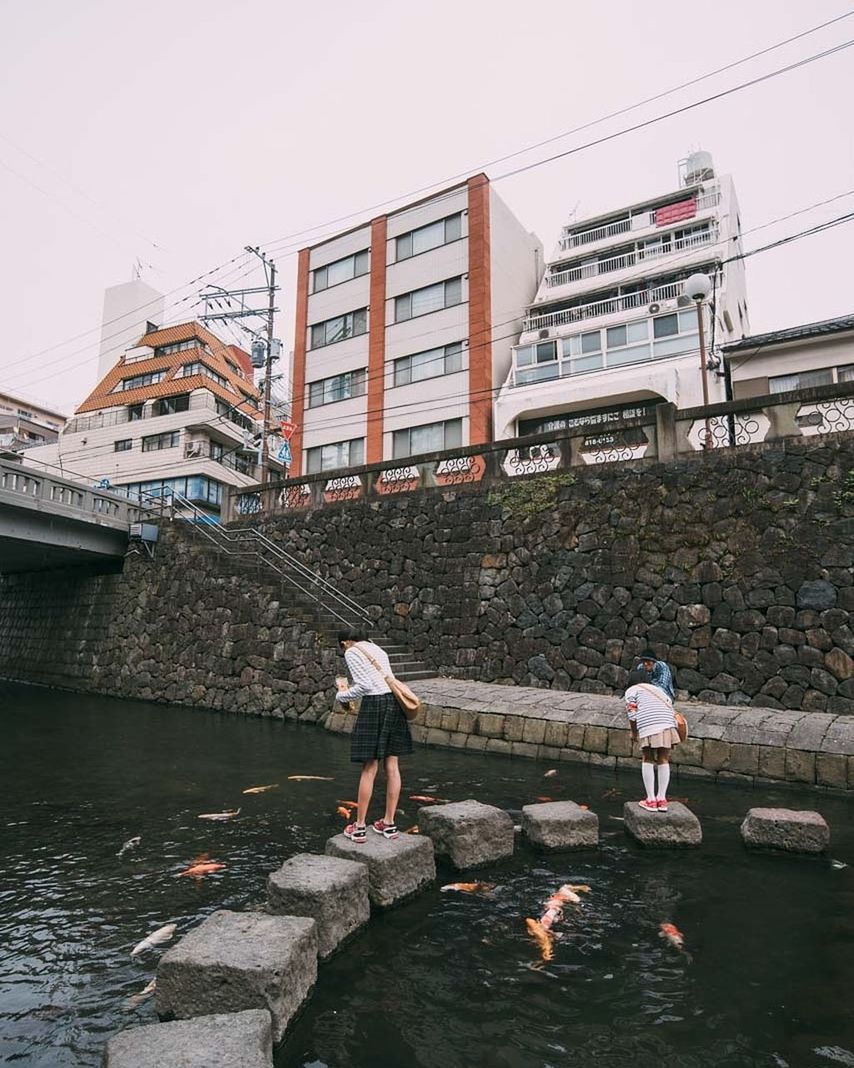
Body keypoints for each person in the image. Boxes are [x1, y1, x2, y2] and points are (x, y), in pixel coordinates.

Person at [334, 628, 413, 843]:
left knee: (369, 767)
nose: (343, 650)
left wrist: (342, 694)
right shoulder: (378, 649)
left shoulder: (352, 651)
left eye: (342, 646)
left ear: (346, 642)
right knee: (392, 765)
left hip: (375, 704)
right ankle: (389, 823)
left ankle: (359, 827)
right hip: (393, 703)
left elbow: (365, 686)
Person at [624, 680, 680, 811]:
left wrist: (633, 733)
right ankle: (662, 800)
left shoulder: (631, 690)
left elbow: (632, 714)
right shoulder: (659, 690)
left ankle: (650, 800)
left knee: (647, 758)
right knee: (663, 759)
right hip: (667, 723)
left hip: (649, 725)